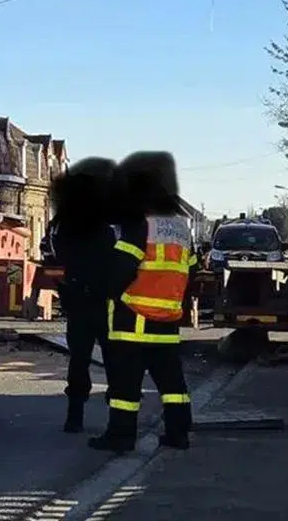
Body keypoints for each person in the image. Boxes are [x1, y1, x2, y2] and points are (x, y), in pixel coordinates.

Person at [89, 151, 197, 453]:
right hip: (167, 319)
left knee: (126, 385)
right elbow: (191, 269)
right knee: (172, 383)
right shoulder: (180, 228)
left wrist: (107, 293)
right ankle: (178, 434)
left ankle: (121, 437)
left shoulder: (140, 224)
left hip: (133, 318)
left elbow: (122, 267)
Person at [43, 156, 119, 433]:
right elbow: (113, 259)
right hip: (101, 301)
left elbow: (54, 255)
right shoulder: (104, 229)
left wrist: (67, 287)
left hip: (77, 300)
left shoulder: (65, 227)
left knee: (79, 358)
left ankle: (74, 415)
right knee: (112, 357)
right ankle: (116, 412)